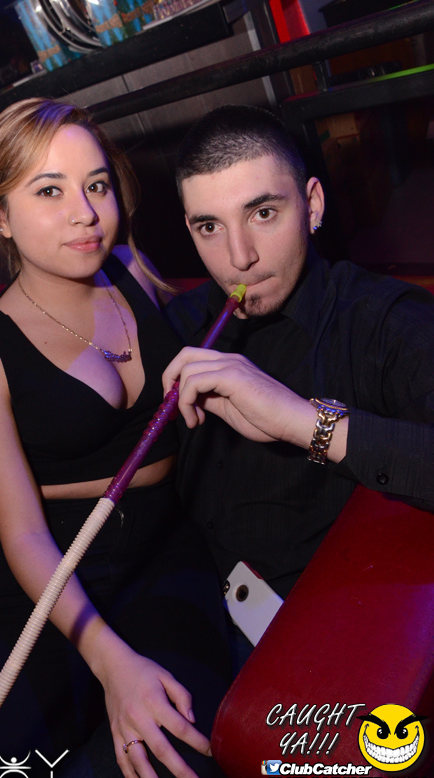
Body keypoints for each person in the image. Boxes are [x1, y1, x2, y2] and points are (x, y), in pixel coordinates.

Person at [0, 98, 236, 778]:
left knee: (173, 759)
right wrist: (108, 661)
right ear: (0, 215)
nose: (86, 213)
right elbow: (22, 535)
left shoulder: (131, 269)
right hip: (50, 574)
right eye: (50, 191)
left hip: (165, 551)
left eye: (95, 184)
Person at [161, 104, 434, 611]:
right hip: (195, 607)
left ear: (312, 205)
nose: (239, 257)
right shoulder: (178, 324)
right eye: (210, 227)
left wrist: (305, 423)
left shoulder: (381, 321)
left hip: (322, 619)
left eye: (263, 213)